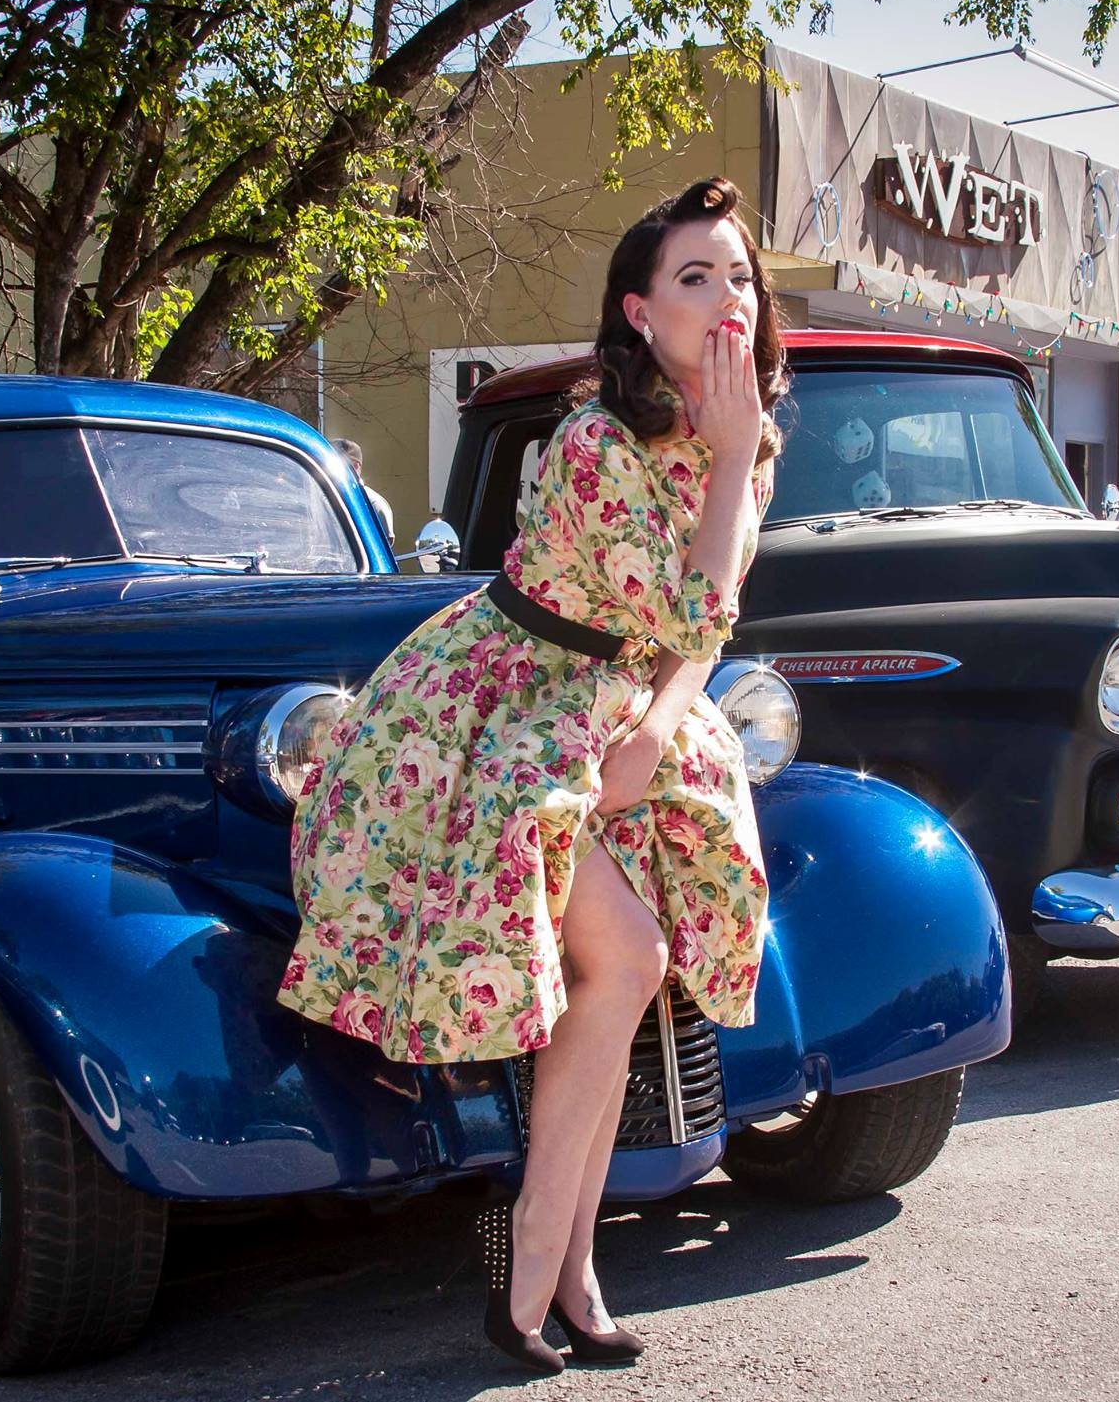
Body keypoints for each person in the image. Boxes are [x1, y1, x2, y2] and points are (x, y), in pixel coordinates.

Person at [281, 177, 783, 1374]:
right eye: (694, 279)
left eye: (740, 276)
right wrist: (722, 465)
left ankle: (562, 1262)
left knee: (625, 983)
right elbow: (687, 596)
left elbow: (699, 636)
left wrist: (661, 725)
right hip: (499, 703)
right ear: (638, 312)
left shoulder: (741, 440)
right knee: (627, 956)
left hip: (621, 706)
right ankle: (541, 1253)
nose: (725, 299)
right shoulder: (591, 441)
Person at [331, 437, 395, 543]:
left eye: (339, 464)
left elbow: (382, 548)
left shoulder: (373, 503)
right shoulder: (320, 496)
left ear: (356, 466)